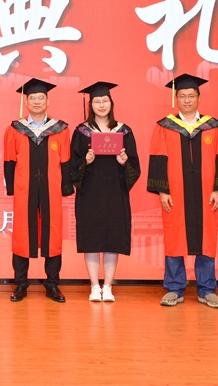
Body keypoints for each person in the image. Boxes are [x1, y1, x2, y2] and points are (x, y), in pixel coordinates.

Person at [147, 73, 218, 308]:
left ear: (199, 97)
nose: (186, 100)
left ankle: (207, 289)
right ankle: (174, 288)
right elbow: (158, 157)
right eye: (182, 96)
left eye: (191, 95)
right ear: (176, 98)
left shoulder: (213, 126)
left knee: (207, 238)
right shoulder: (165, 126)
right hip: (175, 192)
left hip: (207, 193)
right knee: (174, 237)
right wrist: (162, 190)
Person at [4, 78, 73, 303]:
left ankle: (52, 284)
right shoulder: (15, 129)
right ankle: (20, 284)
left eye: (40, 98)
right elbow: (9, 160)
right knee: (22, 233)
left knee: (53, 233)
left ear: (48, 101)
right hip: (24, 189)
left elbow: (66, 160)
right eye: (32, 98)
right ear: (26, 102)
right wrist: (12, 187)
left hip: (51, 189)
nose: (36, 101)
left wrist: (65, 187)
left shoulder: (60, 129)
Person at [70, 81, 140, 302]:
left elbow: (135, 166)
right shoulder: (81, 132)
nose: (101, 105)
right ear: (90, 105)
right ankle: (94, 286)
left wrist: (124, 162)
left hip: (115, 192)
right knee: (91, 238)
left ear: (111, 103)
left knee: (112, 238)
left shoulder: (124, 131)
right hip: (90, 193)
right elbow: (72, 166)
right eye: (97, 101)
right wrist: (86, 161)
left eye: (105, 101)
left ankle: (108, 286)